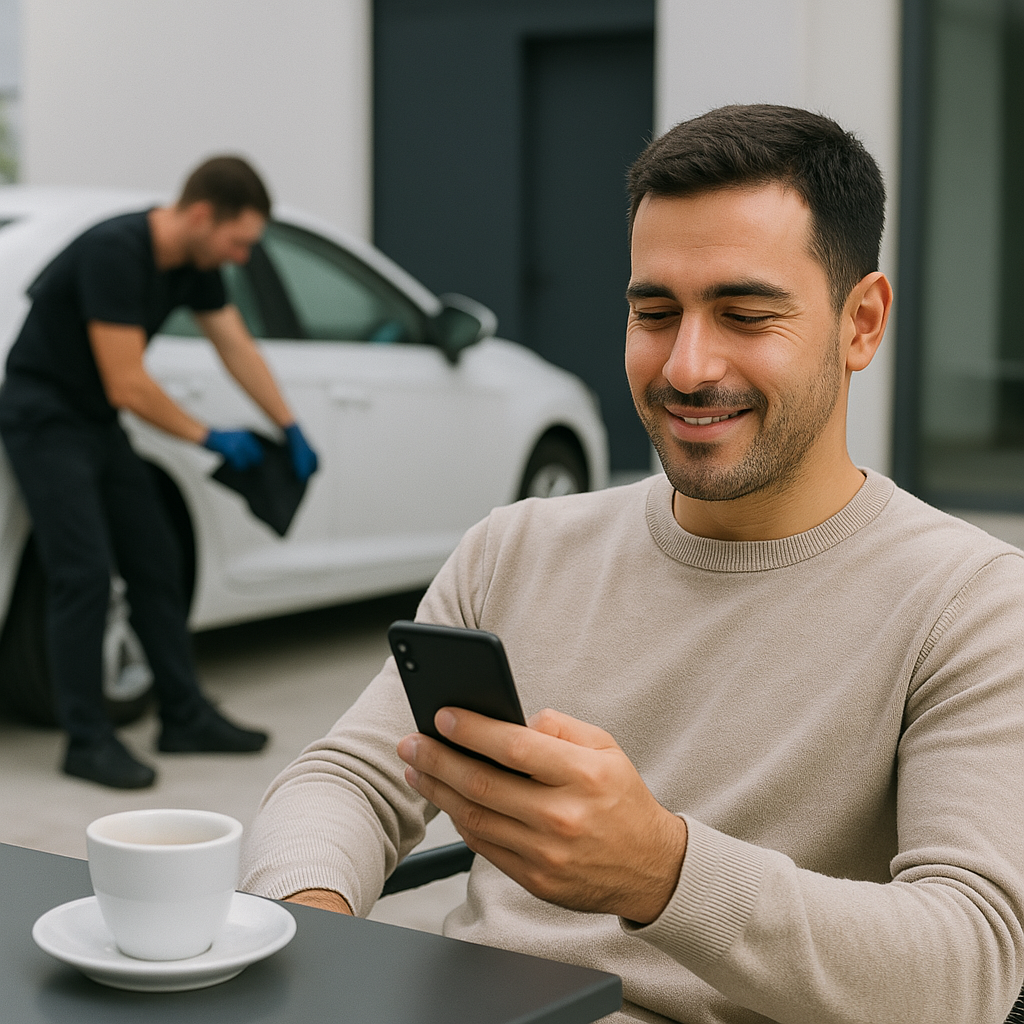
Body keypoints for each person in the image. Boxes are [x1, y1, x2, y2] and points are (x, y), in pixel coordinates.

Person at [240, 106, 1024, 1023]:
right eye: (655, 312)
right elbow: (349, 779)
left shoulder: (971, 603)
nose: (687, 366)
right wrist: (314, 934)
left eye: (744, 314)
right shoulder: (516, 548)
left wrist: (663, 871)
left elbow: (967, 967)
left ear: (862, 322)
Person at [0, 156, 319, 790]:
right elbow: (127, 383)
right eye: (238, 241)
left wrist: (287, 423)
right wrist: (211, 437)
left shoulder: (195, 264)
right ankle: (86, 740)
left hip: (94, 421)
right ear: (203, 215)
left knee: (156, 555)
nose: (239, 256)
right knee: (83, 572)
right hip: (44, 415)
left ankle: (183, 714)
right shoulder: (115, 251)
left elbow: (235, 345)